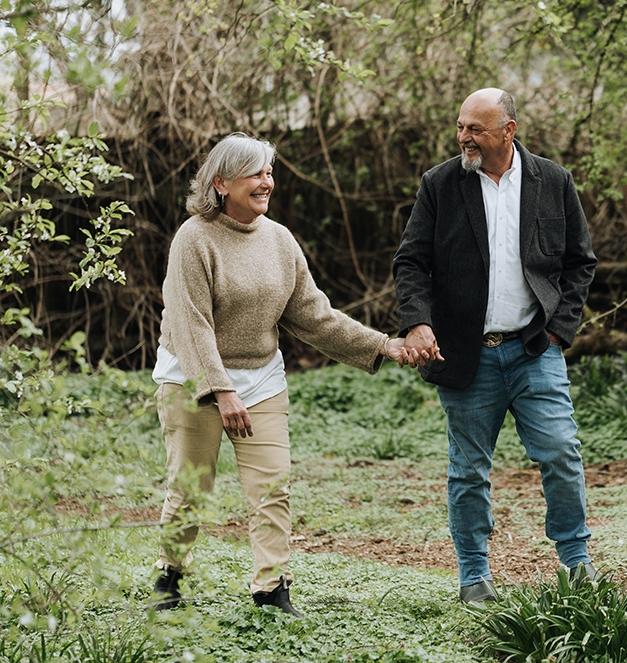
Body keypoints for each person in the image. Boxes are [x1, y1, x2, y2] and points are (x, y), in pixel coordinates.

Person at [148, 132, 413, 617]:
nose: (267, 182)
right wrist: (222, 391)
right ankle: (170, 573)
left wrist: (383, 345)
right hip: (193, 380)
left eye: (270, 172)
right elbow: (192, 323)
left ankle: (272, 589)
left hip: (262, 379)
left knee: (272, 487)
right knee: (191, 487)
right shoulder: (194, 239)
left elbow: (314, 315)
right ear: (221, 182)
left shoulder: (279, 240)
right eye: (256, 173)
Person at [393, 88, 599, 603]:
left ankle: (577, 564)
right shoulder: (440, 184)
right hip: (465, 355)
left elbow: (580, 262)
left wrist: (558, 329)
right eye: (461, 126)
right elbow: (411, 262)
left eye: (475, 129)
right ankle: (474, 578)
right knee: (468, 471)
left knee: (561, 452)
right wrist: (416, 323)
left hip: (534, 348)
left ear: (509, 129)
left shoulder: (553, 180)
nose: (464, 137)